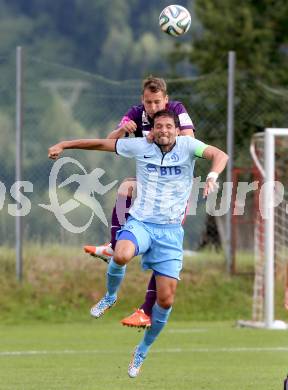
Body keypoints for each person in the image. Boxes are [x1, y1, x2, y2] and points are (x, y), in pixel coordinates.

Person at [48, 109, 228, 378]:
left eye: (169, 126)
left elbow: (219, 155)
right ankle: (110, 296)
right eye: (159, 127)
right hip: (141, 223)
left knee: (166, 301)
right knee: (121, 254)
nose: (164, 131)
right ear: (152, 131)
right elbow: (101, 144)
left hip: (169, 233)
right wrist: (65, 144)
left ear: (177, 130)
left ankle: (142, 350)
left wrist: (212, 176)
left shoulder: (189, 146)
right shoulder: (140, 146)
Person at [84, 76, 195, 328]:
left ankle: (145, 310)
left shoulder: (176, 111)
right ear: (142, 101)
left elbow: (187, 139)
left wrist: (157, 136)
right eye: (148, 102)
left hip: (174, 189)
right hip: (151, 181)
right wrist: (124, 129)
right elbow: (110, 141)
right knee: (125, 187)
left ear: (165, 100)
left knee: (162, 248)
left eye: (157, 102)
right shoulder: (136, 114)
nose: (153, 107)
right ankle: (114, 246)